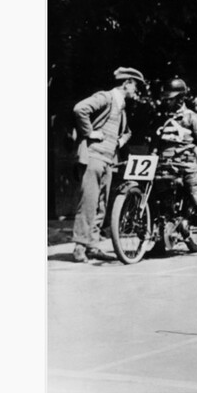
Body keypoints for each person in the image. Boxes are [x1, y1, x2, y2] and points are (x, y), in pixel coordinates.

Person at [72, 66, 145, 262]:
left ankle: (92, 246)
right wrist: (89, 133)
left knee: (101, 205)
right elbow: (80, 109)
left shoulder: (121, 107)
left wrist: (119, 141)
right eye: (135, 85)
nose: (136, 90)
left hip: (108, 161)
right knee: (88, 202)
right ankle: (80, 246)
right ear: (126, 82)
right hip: (93, 158)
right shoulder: (106, 97)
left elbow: (127, 131)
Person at [154, 77, 197, 257]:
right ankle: (160, 240)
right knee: (160, 201)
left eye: (171, 98)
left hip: (188, 165)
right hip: (165, 165)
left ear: (181, 98)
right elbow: (157, 143)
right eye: (166, 98)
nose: (166, 101)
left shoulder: (193, 117)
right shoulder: (161, 118)